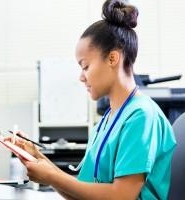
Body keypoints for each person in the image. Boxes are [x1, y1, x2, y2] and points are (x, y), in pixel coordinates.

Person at [11, 0, 176, 199]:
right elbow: (83, 192)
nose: (81, 77)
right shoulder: (106, 121)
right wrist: (39, 159)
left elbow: (121, 196)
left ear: (112, 59)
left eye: (85, 66)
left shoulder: (141, 116)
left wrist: (53, 177)